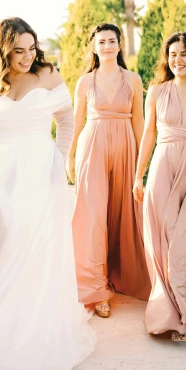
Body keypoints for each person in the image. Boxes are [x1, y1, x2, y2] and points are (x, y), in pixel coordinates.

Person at [0, 17, 95, 370]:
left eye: (31, 48)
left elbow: (66, 119)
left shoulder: (48, 73)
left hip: (40, 173)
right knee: (0, 250)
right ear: (3, 49)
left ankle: (33, 331)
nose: (27, 56)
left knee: (35, 250)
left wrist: (59, 159)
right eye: (18, 50)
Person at [133, 33, 186, 340]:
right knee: (163, 239)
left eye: (184, 54)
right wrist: (138, 174)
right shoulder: (156, 92)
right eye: (172, 54)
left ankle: (181, 302)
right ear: (166, 58)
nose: (178, 60)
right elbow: (147, 136)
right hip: (163, 168)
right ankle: (172, 312)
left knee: (183, 240)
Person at [69, 23, 150, 318]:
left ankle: (122, 275)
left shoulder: (134, 79)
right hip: (93, 146)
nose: (107, 46)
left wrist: (143, 158)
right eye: (101, 42)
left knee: (124, 212)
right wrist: (69, 155)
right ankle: (95, 288)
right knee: (91, 216)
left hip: (126, 146)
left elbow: (139, 120)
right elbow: (77, 121)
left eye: (112, 41)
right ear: (94, 47)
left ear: (120, 45)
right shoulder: (84, 82)